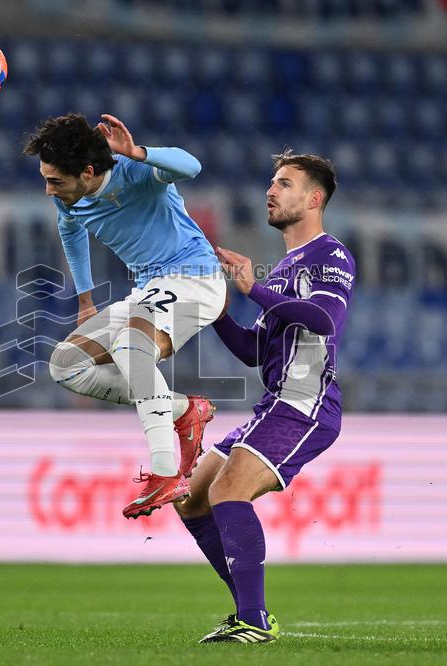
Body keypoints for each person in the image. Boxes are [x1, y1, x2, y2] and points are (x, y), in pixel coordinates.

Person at [173, 150, 355, 643]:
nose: (270, 191)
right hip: (276, 403)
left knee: (227, 491)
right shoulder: (282, 270)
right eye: (271, 183)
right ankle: (250, 612)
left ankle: (253, 620)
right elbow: (253, 351)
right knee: (191, 499)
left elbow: (323, 322)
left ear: (314, 198)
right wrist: (216, 310)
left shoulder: (330, 256)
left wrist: (253, 288)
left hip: (305, 405)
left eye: (284, 183)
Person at [24, 113, 227, 519]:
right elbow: (70, 231)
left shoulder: (136, 172)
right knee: (66, 366)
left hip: (195, 280)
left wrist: (139, 152)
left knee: (130, 347)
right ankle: (183, 410)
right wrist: (85, 299)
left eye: (55, 181)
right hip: (149, 291)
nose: (48, 190)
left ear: (86, 171)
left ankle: (167, 472)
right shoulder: (71, 200)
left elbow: (192, 166)